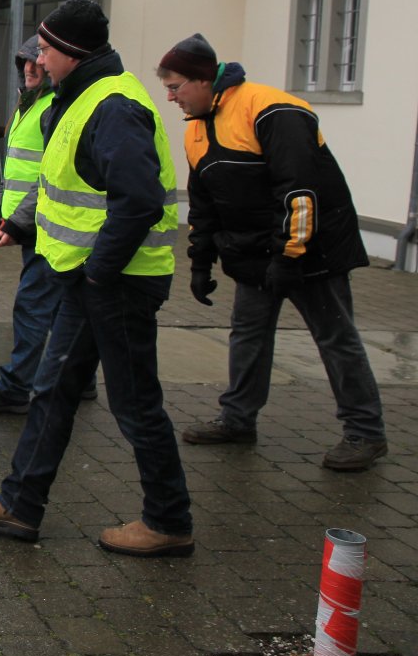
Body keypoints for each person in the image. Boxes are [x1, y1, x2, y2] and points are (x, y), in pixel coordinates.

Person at [0, 0, 194, 558]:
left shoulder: (114, 106)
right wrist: (20, 222)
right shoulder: (78, 96)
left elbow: (137, 201)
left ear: (71, 52)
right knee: (53, 389)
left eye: (45, 48)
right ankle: (20, 504)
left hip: (118, 282)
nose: (38, 57)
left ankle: (168, 521)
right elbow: (57, 177)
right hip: (90, 279)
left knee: (135, 403)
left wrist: (100, 273)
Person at [158, 34, 387, 471]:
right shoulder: (196, 128)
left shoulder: (273, 110)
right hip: (254, 253)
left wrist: (288, 258)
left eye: (175, 87)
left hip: (313, 250)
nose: (171, 98)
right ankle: (237, 419)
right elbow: (204, 205)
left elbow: (300, 192)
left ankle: (366, 432)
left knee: (335, 338)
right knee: (248, 334)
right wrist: (200, 263)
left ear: (202, 79)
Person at [0, 36, 94, 412]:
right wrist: (1, 203)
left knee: (33, 306)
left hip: (44, 222)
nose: (29, 67)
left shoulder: (52, 107)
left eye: (37, 60)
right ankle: (80, 379)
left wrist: (17, 219)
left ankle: (15, 388)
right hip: (34, 221)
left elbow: (49, 173)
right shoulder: (30, 105)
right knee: (60, 305)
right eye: (24, 61)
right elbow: (17, 164)